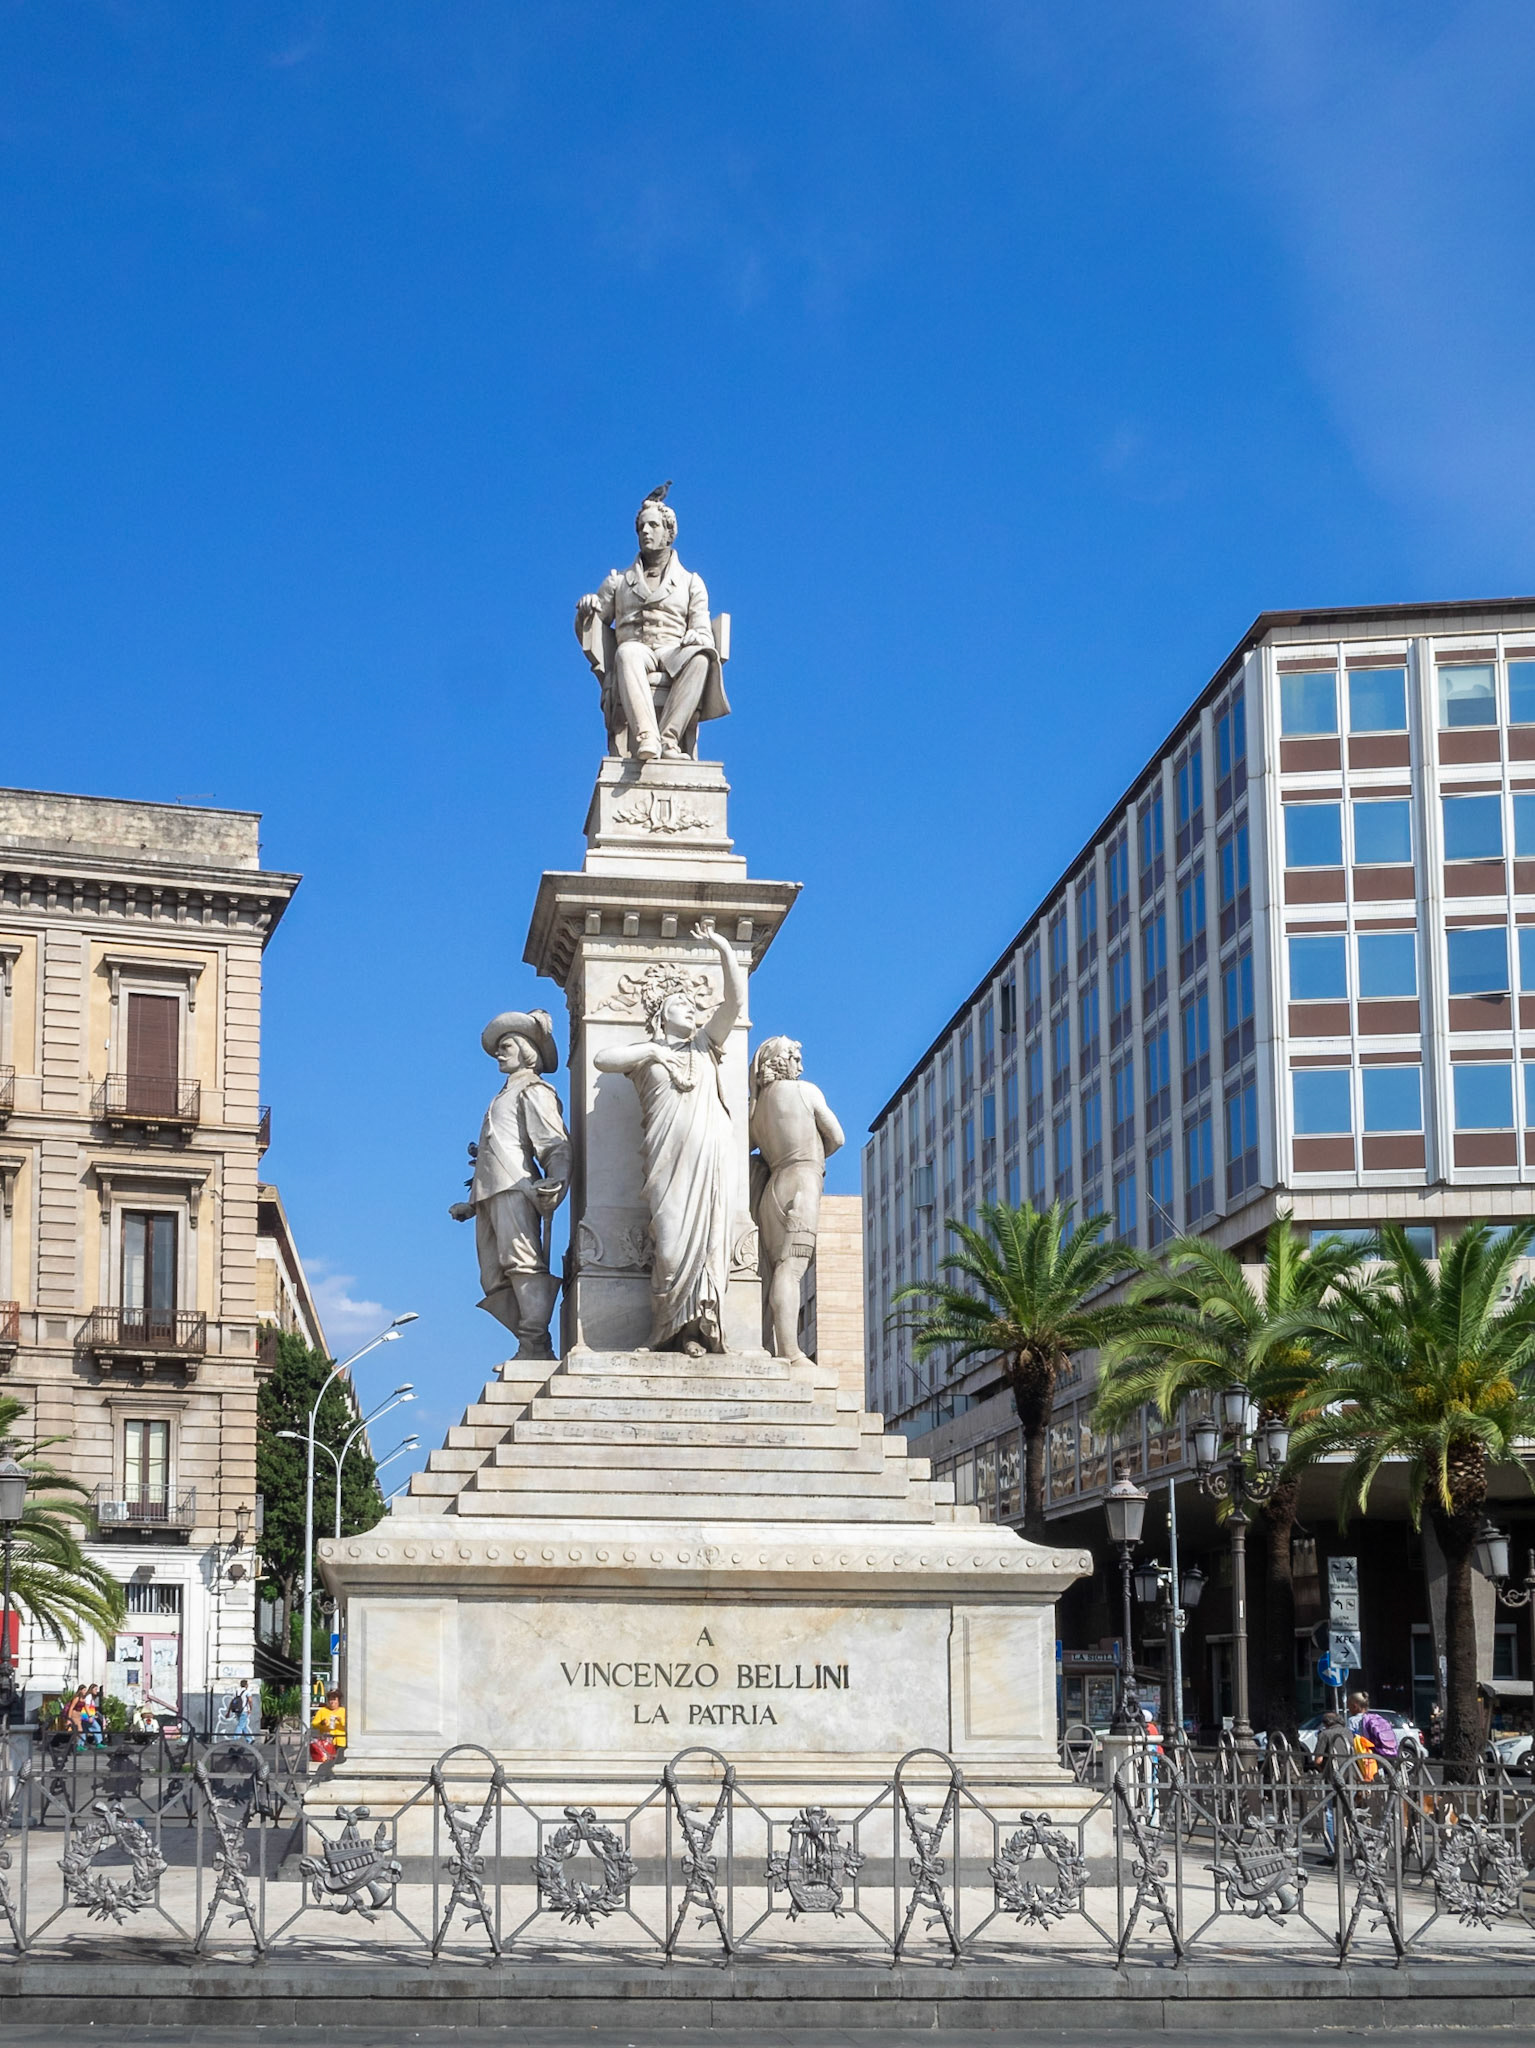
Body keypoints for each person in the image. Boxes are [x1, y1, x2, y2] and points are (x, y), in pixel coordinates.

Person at [594, 922, 743, 1354]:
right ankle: (664, 1331)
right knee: (672, 1247)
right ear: (660, 1014)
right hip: (667, 1162)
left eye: (692, 1003)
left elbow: (734, 1001)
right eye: (680, 1002)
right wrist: (655, 1050)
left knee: (710, 1248)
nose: (690, 1007)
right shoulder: (646, 1056)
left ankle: (696, 1332)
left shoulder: (705, 1045)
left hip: (711, 1157)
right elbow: (603, 1059)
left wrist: (723, 948)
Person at [574, 483, 730, 762]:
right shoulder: (618, 582)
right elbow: (593, 625)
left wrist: (698, 638)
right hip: (638, 650)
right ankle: (646, 736)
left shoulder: (691, 582)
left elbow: (703, 629)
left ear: (669, 533)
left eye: (653, 526)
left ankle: (669, 739)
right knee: (627, 652)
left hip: (674, 651)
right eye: (641, 528)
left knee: (703, 658)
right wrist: (587, 610)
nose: (645, 532)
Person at [450, 1010, 570, 1359]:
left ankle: (534, 1343)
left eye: (505, 1046)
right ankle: (531, 1340)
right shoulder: (503, 1094)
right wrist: (471, 1204)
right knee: (493, 1277)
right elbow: (490, 1153)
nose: (499, 1053)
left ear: (526, 1050)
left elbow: (554, 1143)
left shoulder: (535, 1090)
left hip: (517, 1188)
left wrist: (557, 1179)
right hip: (490, 1194)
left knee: (522, 1263)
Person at [748, 1036, 845, 1365]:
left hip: (772, 1187)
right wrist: (816, 1160)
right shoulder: (806, 1091)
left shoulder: (756, 1110)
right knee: (791, 1272)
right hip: (803, 1181)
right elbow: (837, 1137)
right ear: (779, 1061)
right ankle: (791, 1353)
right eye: (795, 1058)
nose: (801, 1066)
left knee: (774, 1270)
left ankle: (771, 1344)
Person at [1347, 1689, 1399, 1760]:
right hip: (1381, 1752)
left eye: (1349, 1706)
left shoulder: (1352, 1720)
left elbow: (1350, 1739)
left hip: (1365, 1755)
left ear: (1354, 1706)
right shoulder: (1376, 1717)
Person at [310, 1687, 346, 1755]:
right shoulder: (322, 1711)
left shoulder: (343, 1711)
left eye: (334, 1699)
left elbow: (349, 1725)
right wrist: (321, 1723)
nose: (332, 1702)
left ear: (338, 1701)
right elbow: (314, 1724)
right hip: (326, 1742)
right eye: (330, 1700)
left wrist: (341, 1720)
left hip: (341, 1741)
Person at [229, 1677, 256, 1743]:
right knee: (241, 1725)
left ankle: (249, 1739)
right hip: (244, 1711)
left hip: (237, 1711)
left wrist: (228, 1712)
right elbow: (250, 1701)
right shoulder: (247, 1692)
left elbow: (232, 1701)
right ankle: (235, 1739)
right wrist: (250, 1709)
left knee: (242, 1725)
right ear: (246, 1685)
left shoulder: (236, 1691)